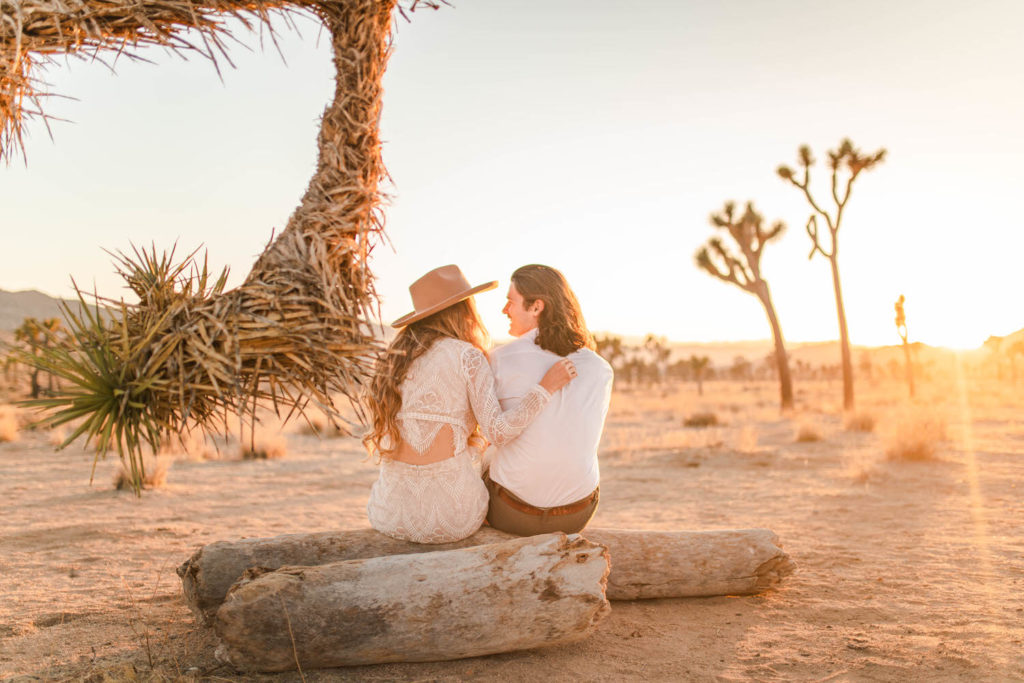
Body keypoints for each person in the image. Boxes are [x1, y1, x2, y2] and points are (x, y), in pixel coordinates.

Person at [364, 264, 576, 544]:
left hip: (389, 513)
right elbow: (498, 432)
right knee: (494, 459)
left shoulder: (394, 358)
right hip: (452, 519)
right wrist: (544, 389)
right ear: (463, 309)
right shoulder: (467, 356)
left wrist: (473, 445)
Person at [484, 264, 613, 536]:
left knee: (483, 456)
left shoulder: (499, 360)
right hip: (577, 514)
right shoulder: (601, 368)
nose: (504, 310)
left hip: (512, 514)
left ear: (536, 307)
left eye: (510, 301)